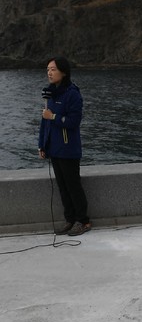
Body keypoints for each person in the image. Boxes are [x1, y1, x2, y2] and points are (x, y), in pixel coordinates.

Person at [38, 56, 91, 236]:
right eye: (47, 69)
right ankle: (70, 219)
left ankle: (83, 221)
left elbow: (74, 122)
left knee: (73, 186)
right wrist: (42, 145)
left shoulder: (72, 94)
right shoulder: (50, 93)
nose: (49, 73)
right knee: (62, 187)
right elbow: (44, 122)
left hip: (68, 149)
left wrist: (53, 116)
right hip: (54, 149)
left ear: (64, 72)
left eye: (53, 69)